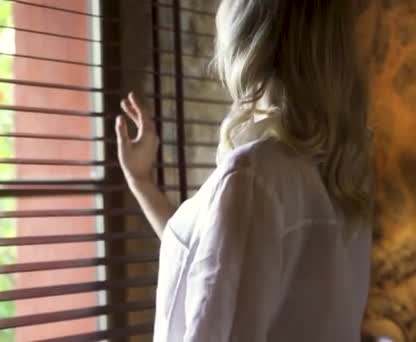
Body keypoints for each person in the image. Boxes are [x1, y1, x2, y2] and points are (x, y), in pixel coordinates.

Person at [115, 1, 372, 341]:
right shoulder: (343, 170)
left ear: (251, 41)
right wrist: (142, 182)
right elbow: (216, 265)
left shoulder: (254, 176)